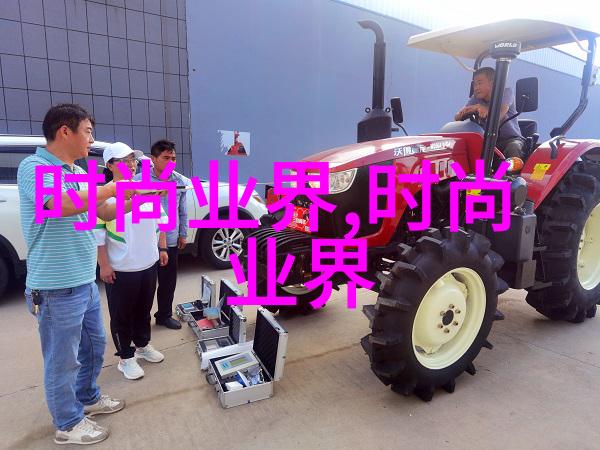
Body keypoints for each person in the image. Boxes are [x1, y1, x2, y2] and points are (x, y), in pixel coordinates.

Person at [17, 104, 125, 446]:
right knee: (62, 361)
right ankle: (67, 422)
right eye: (88, 132)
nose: (91, 140)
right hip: (54, 288)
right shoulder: (33, 167)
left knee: (94, 347)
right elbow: (60, 204)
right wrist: (111, 187)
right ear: (65, 131)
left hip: (84, 281)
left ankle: (88, 397)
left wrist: (134, 197)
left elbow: (102, 210)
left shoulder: (76, 171)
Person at [95, 142, 169, 380]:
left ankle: (142, 345)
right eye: (124, 160)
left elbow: (160, 220)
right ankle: (125, 357)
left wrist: (162, 248)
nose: (131, 164)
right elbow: (98, 234)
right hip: (121, 267)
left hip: (148, 263)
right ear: (110, 165)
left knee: (144, 310)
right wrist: (104, 265)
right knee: (122, 314)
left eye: (133, 160)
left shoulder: (145, 189)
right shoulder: (103, 195)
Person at [133, 140, 188, 330]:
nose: (171, 162)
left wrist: (183, 233)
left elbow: (183, 210)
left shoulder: (179, 181)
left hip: (170, 239)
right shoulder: (138, 180)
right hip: (146, 242)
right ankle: (141, 321)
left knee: (168, 282)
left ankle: (164, 315)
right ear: (153, 159)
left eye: (173, 158)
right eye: (166, 158)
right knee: (145, 286)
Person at [455, 67, 526, 159]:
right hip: (487, 140)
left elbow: (499, 115)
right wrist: (468, 111)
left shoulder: (505, 92)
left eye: (480, 83)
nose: (476, 88)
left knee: (513, 147)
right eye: (474, 84)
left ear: (492, 83)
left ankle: (509, 168)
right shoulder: (476, 98)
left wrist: (481, 108)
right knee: (463, 149)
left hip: (510, 139)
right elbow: (457, 117)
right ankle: (464, 169)